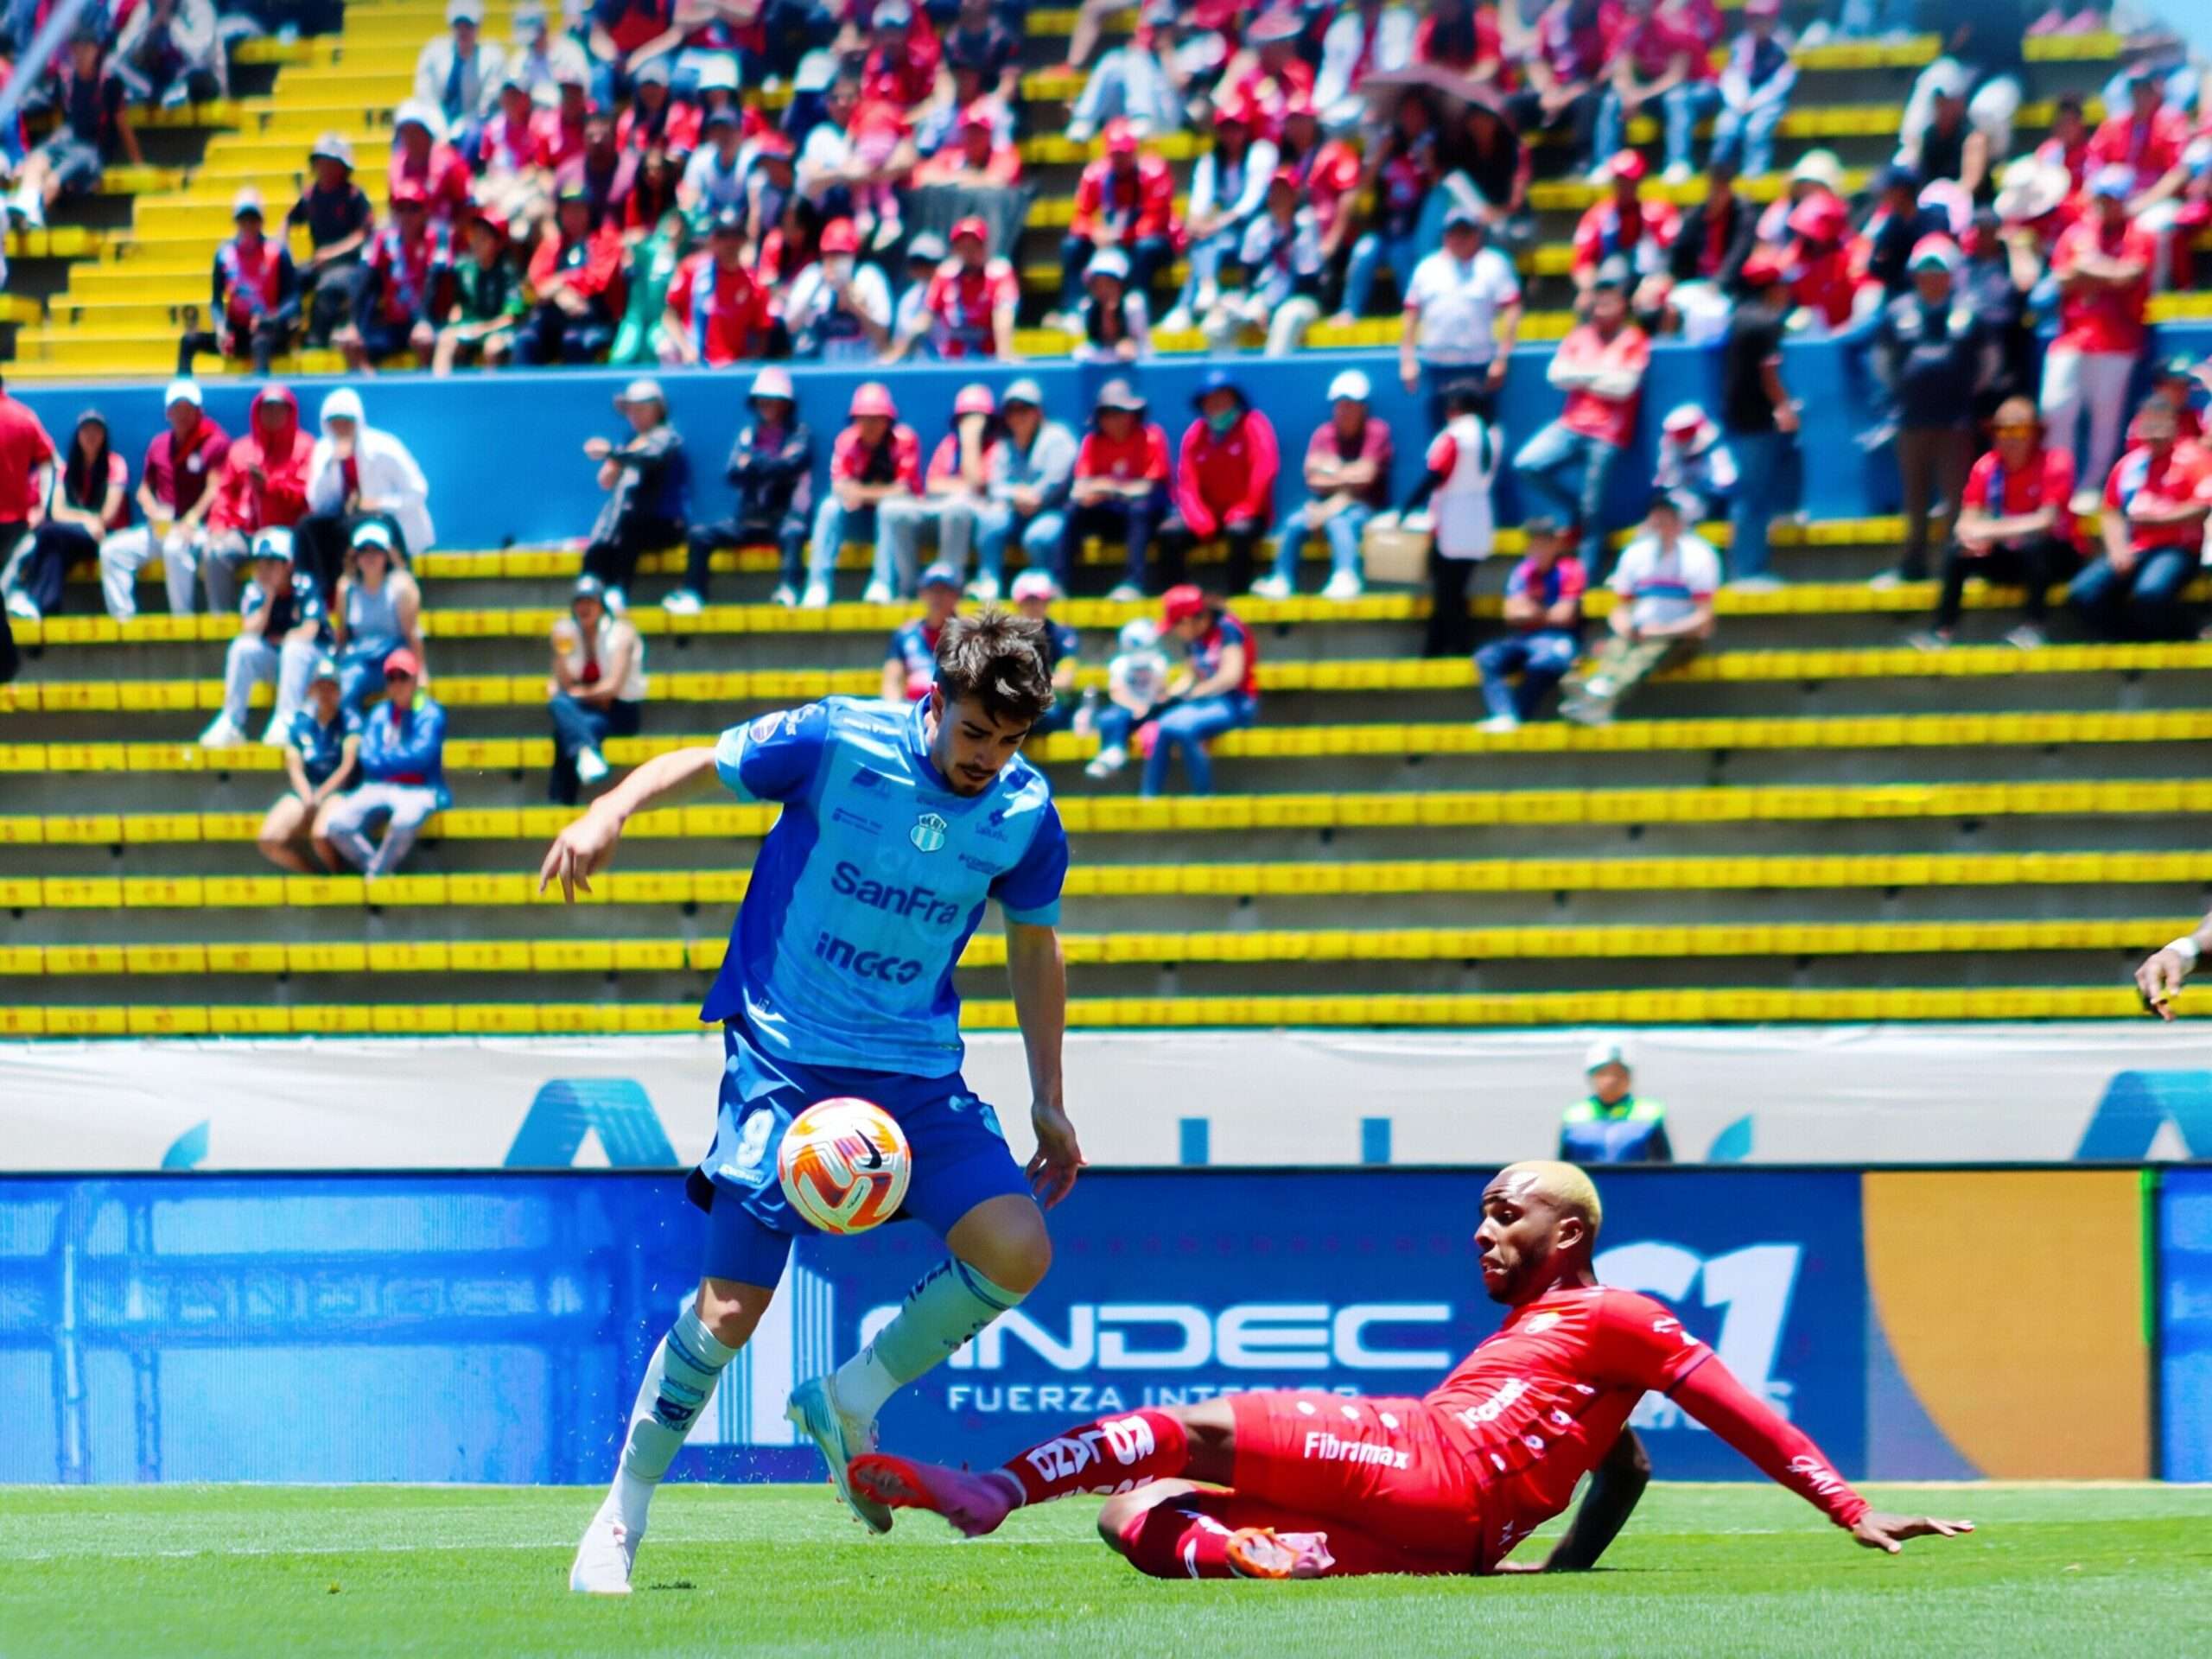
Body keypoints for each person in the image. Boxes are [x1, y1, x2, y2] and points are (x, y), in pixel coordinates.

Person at [550, 609, 1079, 1592]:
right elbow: (695, 762)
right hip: (785, 1059)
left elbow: (1033, 942)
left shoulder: (1024, 813)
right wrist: (606, 812)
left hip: (916, 1073)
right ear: (935, 703)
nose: (988, 760)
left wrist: (1049, 1096)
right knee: (728, 1314)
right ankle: (620, 1516)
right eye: (974, 734)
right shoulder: (837, 740)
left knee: (1018, 1246)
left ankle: (850, 1394)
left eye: (1009, 743)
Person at [852, 1161, 1970, 1577]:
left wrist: (1844, 1505)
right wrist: (1567, 1567)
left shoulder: (1616, 1313)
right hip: (1459, 1540)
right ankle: (1239, 1554)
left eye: (1505, 1214)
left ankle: (992, 1490)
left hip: (1436, 1458)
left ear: (1568, 1233)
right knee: (1134, 1514)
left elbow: (1731, 1408)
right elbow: (1623, 1465)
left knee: (1188, 1427)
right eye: (1480, 1217)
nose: (1483, 1233)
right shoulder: (1574, 1365)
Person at [1870, 238, 1993, 588]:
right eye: (1925, 271)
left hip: (1955, 420)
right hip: (1911, 419)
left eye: (1939, 271)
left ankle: (1956, 567)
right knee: (1915, 498)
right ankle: (1913, 564)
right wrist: (1905, 390)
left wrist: (1963, 391)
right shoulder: (1898, 311)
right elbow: (1883, 363)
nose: (1932, 278)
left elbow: (1988, 364)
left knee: (1957, 498)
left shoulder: (1970, 311)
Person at [1910, 397, 2077, 653]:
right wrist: (1972, 537)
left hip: (2056, 558)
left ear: (2034, 433)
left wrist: (1988, 530)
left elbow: (2046, 521)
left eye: (2019, 430)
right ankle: (1942, 631)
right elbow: (1966, 523)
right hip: (2009, 555)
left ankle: (2034, 629)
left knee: (2037, 546)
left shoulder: (2056, 462)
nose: (2010, 438)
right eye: (2002, 430)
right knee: (1959, 551)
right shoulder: (1986, 467)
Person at [1515, 264, 1649, 578]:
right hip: (1571, 425)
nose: (1601, 307)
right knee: (1527, 463)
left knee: (1594, 508)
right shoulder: (1580, 335)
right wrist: (1601, 374)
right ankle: (1572, 508)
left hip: (1608, 434)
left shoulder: (1633, 338)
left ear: (1623, 306)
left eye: (1609, 300)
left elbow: (1624, 387)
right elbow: (1556, 375)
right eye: (1598, 300)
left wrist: (1582, 375)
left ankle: (1587, 574)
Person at [2041, 166, 2154, 498]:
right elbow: (2061, 278)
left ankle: (2093, 485)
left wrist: (2087, 269)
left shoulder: (2139, 233)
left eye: (2113, 199)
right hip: (2073, 336)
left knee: (2106, 418)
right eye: (2102, 198)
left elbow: (2129, 276)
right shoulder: (2077, 233)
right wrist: (2104, 273)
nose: (2106, 205)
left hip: (2117, 339)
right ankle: (2058, 483)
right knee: (2056, 407)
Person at [1561, 494, 1719, 727]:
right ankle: (1598, 698)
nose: (1660, 522)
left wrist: (1664, 630)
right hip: (1641, 631)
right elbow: (1621, 608)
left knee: (1649, 650)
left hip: (1680, 637)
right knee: (1619, 644)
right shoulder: (1636, 554)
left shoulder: (1699, 555)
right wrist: (1625, 626)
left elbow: (1704, 618)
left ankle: (1600, 695)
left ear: (1679, 521)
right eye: (1657, 516)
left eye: (1667, 516)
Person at [669, 366, 815, 613]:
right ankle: (694, 593)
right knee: (700, 535)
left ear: (786, 405)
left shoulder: (799, 435)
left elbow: (790, 466)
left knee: (793, 533)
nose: (767, 407)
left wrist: (755, 463)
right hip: (748, 520)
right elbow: (733, 473)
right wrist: (766, 464)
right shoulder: (748, 435)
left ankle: (789, 589)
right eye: (762, 401)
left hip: (783, 518)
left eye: (774, 401)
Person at [2067, 399, 2212, 645]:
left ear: (2173, 426)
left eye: (2161, 426)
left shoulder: (2193, 458)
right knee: (2082, 593)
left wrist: (2160, 520)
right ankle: (2128, 641)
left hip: (2178, 549)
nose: (2155, 434)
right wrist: (2117, 550)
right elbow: (2111, 512)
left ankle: (2192, 632)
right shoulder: (2130, 465)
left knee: (2151, 592)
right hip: (2136, 548)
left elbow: (2203, 506)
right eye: (2149, 426)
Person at [1255, 369, 1393, 601]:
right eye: (1341, 404)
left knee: (1340, 520)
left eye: (1351, 404)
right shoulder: (1323, 433)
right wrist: (1348, 474)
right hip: (1323, 505)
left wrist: (1331, 471)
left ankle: (1345, 576)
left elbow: (1366, 478)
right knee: (1294, 522)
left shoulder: (1377, 431)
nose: (1345, 410)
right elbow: (1312, 479)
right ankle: (1281, 579)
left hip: (1365, 507)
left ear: (1363, 407)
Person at [99, 378, 229, 622]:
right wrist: (152, 509)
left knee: (174, 547)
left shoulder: (215, 443)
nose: (182, 414)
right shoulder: (159, 444)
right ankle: (124, 621)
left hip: (198, 529)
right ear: (168, 412)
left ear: (198, 411)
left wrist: (191, 519)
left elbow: (215, 488)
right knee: (112, 550)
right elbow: (144, 489)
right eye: (177, 408)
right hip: (163, 525)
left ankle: (183, 621)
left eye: (188, 408)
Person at [1390, 378, 1500, 658]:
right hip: (1478, 516)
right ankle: (1434, 649)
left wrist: (1406, 508)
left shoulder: (1456, 435)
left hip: (1452, 518)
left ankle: (1460, 649)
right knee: (1453, 590)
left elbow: (1436, 474)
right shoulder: (1493, 434)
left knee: (1447, 592)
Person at [197, 527, 330, 750]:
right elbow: (250, 629)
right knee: (242, 647)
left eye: (271, 563)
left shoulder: (304, 584)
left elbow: (309, 630)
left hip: (313, 665)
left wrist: (285, 639)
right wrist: (269, 597)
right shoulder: (255, 590)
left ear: (288, 565)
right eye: (260, 563)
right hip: (279, 662)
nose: (263, 570)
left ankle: (286, 719)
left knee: (294, 648)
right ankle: (232, 721)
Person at [297, 387, 435, 601]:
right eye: (335, 422)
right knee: (309, 526)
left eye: (347, 421)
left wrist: (379, 503)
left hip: (386, 517)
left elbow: (418, 491)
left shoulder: (384, 447)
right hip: (348, 518)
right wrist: (332, 464)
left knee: (354, 528)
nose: (341, 428)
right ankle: (319, 596)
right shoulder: (324, 451)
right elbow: (317, 501)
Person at [321, 650, 449, 879]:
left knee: (404, 821)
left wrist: (386, 758)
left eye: (403, 676)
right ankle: (378, 870)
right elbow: (368, 757)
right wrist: (398, 759)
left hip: (419, 789)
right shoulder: (380, 713)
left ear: (415, 679)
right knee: (337, 824)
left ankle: (376, 874)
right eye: (392, 677)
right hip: (378, 786)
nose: (398, 683)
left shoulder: (430, 712)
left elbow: (422, 756)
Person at [6, 26, 139, 232]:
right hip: (69, 144)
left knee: (56, 175)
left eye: (85, 49)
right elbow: (63, 121)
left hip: (93, 151)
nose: (80, 54)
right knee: (38, 158)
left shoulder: (109, 83)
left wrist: (137, 163)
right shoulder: (66, 80)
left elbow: (122, 124)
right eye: (76, 49)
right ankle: (27, 204)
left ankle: (36, 209)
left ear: (95, 51)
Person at [1159, 372, 1278, 601]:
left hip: (1247, 515)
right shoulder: (1196, 434)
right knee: (1169, 533)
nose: (1217, 406)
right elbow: (1187, 482)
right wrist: (1198, 516)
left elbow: (1265, 469)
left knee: (1239, 534)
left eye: (1223, 399)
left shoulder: (1254, 425)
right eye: (1210, 401)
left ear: (1236, 400)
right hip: (1209, 517)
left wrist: (1248, 507)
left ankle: (1237, 596)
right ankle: (1181, 599)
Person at [1717, 256, 1797, 589]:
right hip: (1758, 421)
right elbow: (1769, 371)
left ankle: (1746, 568)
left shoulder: (1738, 318)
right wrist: (1784, 407)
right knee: (1752, 497)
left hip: (1738, 418)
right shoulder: (1767, 322)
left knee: (1749, 495)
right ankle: (1747, 571)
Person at [805, 381, 922, 609]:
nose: (869, 425)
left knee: (891, 508)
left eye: (877, 418)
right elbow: (840, 488)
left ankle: (882, 583)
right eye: (864, 418)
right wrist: (874, 493)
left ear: (888, 420)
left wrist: (861, 493)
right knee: (829, 507)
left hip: (899, 524)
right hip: (858, 519)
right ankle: (817, 585)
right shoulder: (846, 440)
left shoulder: (905, 440)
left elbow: (903, 490)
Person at [1395, 207, 1521, 417]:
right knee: (1439, 438)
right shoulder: (1427, 268)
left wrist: (1502, 359)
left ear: (1477, 234)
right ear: (1445, 235)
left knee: (1481, 434)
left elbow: (1512, 311)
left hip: (1479, 366)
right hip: (1436, 367)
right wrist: (1407, 360)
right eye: (1454, 232)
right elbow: (1410, 316)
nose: (1459, 238)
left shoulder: (1494, 264)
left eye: (1466, 232)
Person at [202, 385, 315, 618]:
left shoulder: (305, 447)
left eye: (278, 409)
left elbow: (306, 495)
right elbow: (225, 493)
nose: (272, 414)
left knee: (273, 556)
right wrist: (219, 525)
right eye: (267, 409)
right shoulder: (241, 449)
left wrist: (270, 486)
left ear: (289, 412)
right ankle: (221, 618)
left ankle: (283, 619)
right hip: (246, 530)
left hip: (286, 530)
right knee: (215, 552)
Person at [5, 410, 127, 624]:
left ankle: (25, 595)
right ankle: (45, 609)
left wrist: (87, 521)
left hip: (104, 538)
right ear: (78, 435)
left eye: (96, 431)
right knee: (52, 547)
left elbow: (108, 515)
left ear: (104, 436)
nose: (91, 436)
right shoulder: (68, 469)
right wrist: (87, 520)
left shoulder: (115, 464)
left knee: (46, 532)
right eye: (86, 431)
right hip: (72, 536)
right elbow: (58, 511)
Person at [880, 385, 1000, 601]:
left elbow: (978, 485)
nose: (970, 423)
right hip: (939, 512)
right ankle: (909, 588)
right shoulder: (950, 445)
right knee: (894, 510)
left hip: (974, 521)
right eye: (965, 417)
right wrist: (964, 487)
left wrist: (970, 441)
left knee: (957, 508)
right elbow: (933, 485)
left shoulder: (996, 447)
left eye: (976, 418)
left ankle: (948, 587)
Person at [1141, 584, 1259, 798]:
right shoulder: (1193, 639)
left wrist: (1196, 692)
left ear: (1187, 620)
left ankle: (1204, 796)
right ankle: (1149, 796)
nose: (1175, 632)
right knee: (1164, 725)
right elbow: (1191, 676)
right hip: (1208, 703)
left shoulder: (1228, 629)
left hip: (1236, 702)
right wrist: (1169, 695)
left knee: (1184, 728)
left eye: (1176, 625)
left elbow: (1231, 676)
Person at [582, 378, 689, 611]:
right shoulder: (629, 442)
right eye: (631, 410)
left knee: (629, 529)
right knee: (600, 545)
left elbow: (650, 458)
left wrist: (614, 454)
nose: (635, 416)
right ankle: (590, 598)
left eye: (641, 409)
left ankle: (618, 591)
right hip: (630, 523)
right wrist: (614, 461)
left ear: (658, 410)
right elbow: (606, 481)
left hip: (666, 524)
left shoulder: (665, 437)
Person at [1475, 516, 1584, 732]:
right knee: (1487, 657)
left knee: (1543, 661)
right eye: (1533, 541)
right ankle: (1504, 714)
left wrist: (1532, 612)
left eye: (1543, 541)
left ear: (1555, 544)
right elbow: (1511, 614)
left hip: (1558, 638)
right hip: (1526, 638)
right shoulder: (1523, 571)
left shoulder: (1569, 569)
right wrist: (1546, 613)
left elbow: (1565, 615)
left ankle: (1517, 715)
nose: (1537, 547)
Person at [256, 655, 360, 875]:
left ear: (339, 692)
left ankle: (336, 875)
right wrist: (307, 796)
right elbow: (294, 766)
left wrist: (321, 795)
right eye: (320, 686)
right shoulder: (300, 724)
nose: (325, 693)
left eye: (330, 687)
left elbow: (347, 766)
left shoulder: (349, 722)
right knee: (268, 839)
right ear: (312, 690)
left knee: (320, 836)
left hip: (336, 791)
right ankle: (311, 874)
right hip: (306, 789)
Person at [1071, 378, 1173, 601]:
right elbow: (1079, 488)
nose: (1114, 420)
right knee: (1074, 510)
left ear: (1133, 414)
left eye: (1120, 412)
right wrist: (1112, 490)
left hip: (1147, 517)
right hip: (1109, 516)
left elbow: (1147, 487)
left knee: (1139, 509)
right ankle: (1061, 582)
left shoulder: (1152, 436)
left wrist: (1108, 487)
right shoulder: (1093, 441)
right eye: (1108, 414)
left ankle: (1133, 583)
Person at [1061, 124, 1176, 321]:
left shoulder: (1153, 173)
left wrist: (1120, 236)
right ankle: (1074, 310)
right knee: (1073, 246)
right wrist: (1095, 232)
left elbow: (1156, 218)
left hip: (1146, 240)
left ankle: (1138, 303)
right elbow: (1080, 217)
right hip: (1110, 239)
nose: (1120, 160)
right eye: (1115, 154)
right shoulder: (1095, 176)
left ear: (1134, 152)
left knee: (1146, 247)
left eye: (1124, 154)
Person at [975, 379, 1076, 604]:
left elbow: (1058, 478)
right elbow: (995, 485)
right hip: (1015, 510)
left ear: (1038, 412)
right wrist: (1017, 495)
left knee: (1038, 537)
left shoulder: (1058, 437)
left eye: (1025, 409)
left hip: (1052, 509)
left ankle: (1045, 587)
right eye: (1012, 410)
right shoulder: (1004, 445)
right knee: (991, 520)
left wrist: (1035, 496)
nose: (1018, 416)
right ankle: (988, 582)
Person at [548, 574, 646, 804]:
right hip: (588, 709)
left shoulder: (621, 633)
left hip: (621, 710)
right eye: (579, 602)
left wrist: (577, 694)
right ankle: (586, 754)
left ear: (601, 605)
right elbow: (563, 683)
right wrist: (559, 653)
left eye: (589, 601)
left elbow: (612, 688)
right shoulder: (569, 635)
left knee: (566, 728)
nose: (584, 607)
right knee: (565, 713)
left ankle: (560, 801)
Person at [178, 188, 298, 378]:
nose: (248, 225)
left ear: (261, 221)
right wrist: (220, 327)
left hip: (269, 331)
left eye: (253, 219)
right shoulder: (224, 255)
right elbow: (217, 301)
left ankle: (261, 394)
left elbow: (293, 301)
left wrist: (271, 319)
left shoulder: (277, 253)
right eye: (243, 220)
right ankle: (183, 395)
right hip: (237, 332)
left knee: (261, 343)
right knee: (189, 340)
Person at [1594, 0, 1715, 184]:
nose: (1636, 8)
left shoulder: (1675, 26)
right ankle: (1606, 161)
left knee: (1676, 98)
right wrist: (1628, 95)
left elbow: (1676, 77)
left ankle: (1679, 162)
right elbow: (1621, 72)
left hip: (1700, 89)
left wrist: (1639, 96)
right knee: (1612, 100)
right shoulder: (1629, 30)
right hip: (1658, 93)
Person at [340, 180, 448, 372]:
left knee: (424, 340)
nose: (407, 216)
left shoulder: (436, 237)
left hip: (426, 320)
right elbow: (363, 281)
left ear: (425, 212)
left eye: (413, 209)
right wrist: (353, 324)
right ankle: (372, 390)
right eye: (401, 209)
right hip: (392, 322)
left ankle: (425, 389)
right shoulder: (384, 240)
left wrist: (424, 321)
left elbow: (435, 281)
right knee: (349, 343)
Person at [520, 185, 627, 365]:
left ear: (589, 212)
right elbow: (536, 283)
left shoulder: (605, 239)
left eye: (579, 209)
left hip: (593, 318)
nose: (573, 215)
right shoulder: (553, 245)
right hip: (553, 316)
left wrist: (561, 282)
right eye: (568, 210)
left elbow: (599, 279)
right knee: (526, 339)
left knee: (573, 341)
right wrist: (560, 294)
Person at [329, 520, 428, 713]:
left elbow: (412, 633)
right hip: (360, 659)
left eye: (376, 551)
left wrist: (421, 671)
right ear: (356, 557)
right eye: (364, 551)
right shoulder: (346, 589)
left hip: (394, 656)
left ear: (386, 555)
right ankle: (354, 735)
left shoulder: (401, 586)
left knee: (401, 684)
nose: (370, 557)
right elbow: (342, 634)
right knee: (344, 688)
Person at [289, 135, 377, 350]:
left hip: (349, 265)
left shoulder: (354, 196)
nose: (325, 168)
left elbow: (363, 234)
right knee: (289, 277)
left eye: (331, 163)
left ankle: (316, 342)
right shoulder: (311, 196)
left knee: (328, 286)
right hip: (318, 263)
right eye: (322, 162)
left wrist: (331, 253)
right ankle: (289, 329)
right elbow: (289, 221)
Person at [901, 215, 1020, 362]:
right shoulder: (945, 275)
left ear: (984, 247)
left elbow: (1003, 317)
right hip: (953, 364)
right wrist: (898, 355)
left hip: (990, 362)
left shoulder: (1000, 274)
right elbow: (924, 320)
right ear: (954, 250)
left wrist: (1004, 356)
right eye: (962, 246)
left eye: (974, 246)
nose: (968, 252)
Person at [663, 207, 771, 366]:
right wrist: (686, 349)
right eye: (723, 236)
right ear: (713, 240)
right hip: (694, 360)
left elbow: (762, 338)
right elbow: (669, 316)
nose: (729, 243)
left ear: (743, 241)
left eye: (735, 236)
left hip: (734, 367)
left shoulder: (755, 285)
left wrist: (743, 363)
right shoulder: (692, 270)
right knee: (666, 348)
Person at [782, 216, 894, 363]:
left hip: (861, 368)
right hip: (819, 369)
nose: (835, 259)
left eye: (842, 254)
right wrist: (819, 283)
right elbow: (791, 325)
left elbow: (882, 337)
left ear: (854, 254)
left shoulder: (869, 277)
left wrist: (854, 306)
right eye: (831, 253)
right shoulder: (812, 276)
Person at [433, 210, 526, 374]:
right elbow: (458, 304)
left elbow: (510, 318)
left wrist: (481, 329)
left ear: (498, 244)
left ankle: (490, 396)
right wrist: (455, 323)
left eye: (484, 237)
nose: (476, 242)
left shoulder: (508, 272)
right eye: (474, 236)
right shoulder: (464, 268)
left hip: (497, 330)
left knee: (493, 347)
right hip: (470, 326)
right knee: (446, 338)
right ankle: (440, 391)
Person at [1710, 0, 1793, 180]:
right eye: (1754, 20)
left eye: (1763, 19)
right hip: (1741, 101)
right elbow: (1732, 77)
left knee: (1756, 128)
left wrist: (1755, 102)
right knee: (1726, 125)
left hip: (1769, 102)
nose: (1759, 25)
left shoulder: (1782, 47)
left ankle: (1753, 174)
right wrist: (1740, 101)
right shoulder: (1741, 45)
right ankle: (1719, 172)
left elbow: (1780, 84)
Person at [1084, 614, 1173, 779]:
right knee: (1110, 717)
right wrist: (1134, 707)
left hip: (1151, 710)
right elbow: (1117, 692)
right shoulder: (1120, 665)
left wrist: (1151, 706)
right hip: (1128, 710)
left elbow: (1162, 691)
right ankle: (1113, 751)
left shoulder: (1159, 663)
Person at [1560, 1039, 1672, 1163]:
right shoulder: (1575, 1115)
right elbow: (1564, 1167)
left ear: (1628, 1078)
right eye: (1604, 1074)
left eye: (1618, 1074)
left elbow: (1664, 1164)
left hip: (1634, 1181)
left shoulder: (1650, 1113)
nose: (1611, 1080)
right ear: (1592, 1077)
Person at [416, 0, 507, 143]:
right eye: (458, 26)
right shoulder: (433, 53)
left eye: (468, 26)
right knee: (408, 128)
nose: (462, 31)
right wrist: (440, 129)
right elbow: (426, 97)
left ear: (478, 27)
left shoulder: (492, 58)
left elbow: (485, 107)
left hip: (473, 128)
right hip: (436, 124)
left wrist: (458, 129)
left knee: (475, 136)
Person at [882, 563, 964, 702]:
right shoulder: (905, 634)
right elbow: (892, 681)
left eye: (944, 590)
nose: (938, 597)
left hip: (954, 714)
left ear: (957, 595)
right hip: (914, 712)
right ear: (922, 594)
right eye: (932, 590)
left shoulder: (970, 635)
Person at [1012, 571, 1080, 734]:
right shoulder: (1008, 637)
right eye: (1028, 602)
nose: (1033, 607)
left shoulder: (1062, 635)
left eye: (1038, 601)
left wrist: (1027, 684)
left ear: (1047, 603)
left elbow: (1066, 679)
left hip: (1051, 705)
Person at [1652, 404, 1736, 524]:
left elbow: (1725, 479)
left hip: (1714, 506)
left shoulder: (1715, 449)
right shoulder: (1669, 452)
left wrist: (1709, 490)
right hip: (1683, 508)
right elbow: (1669, 482)